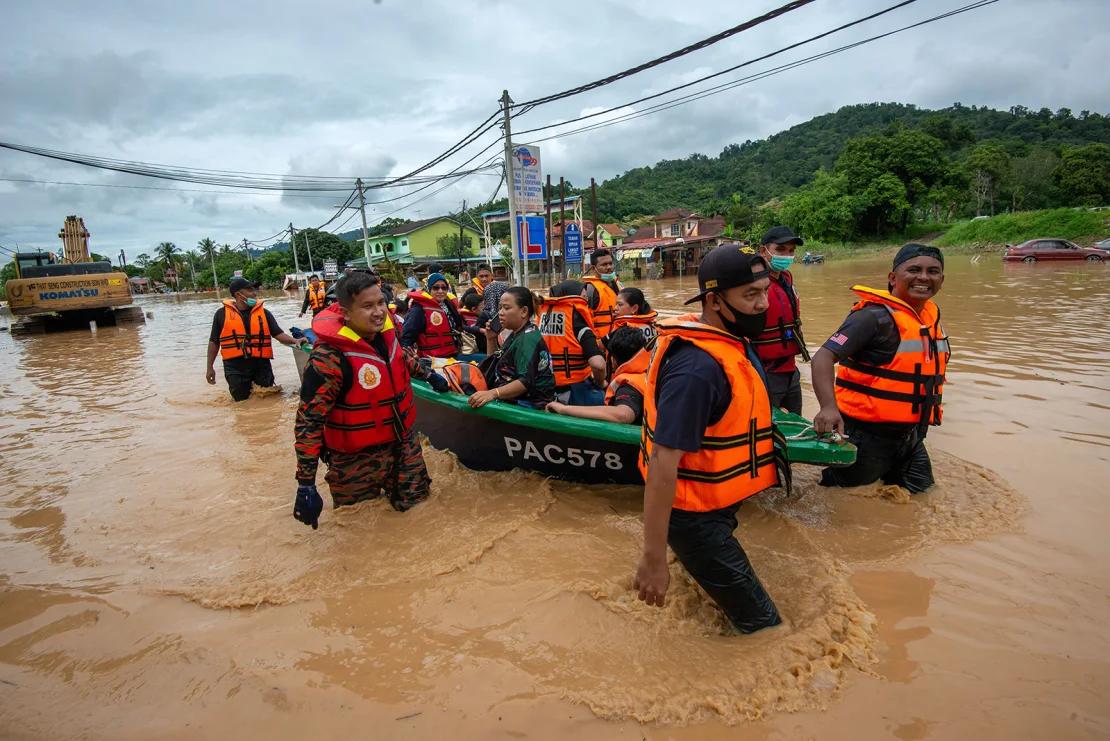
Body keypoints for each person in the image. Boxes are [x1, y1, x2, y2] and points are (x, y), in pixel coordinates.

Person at [633, 246, 786, 634]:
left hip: (714, 507)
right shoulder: (697, 370)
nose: (763, 304)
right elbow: (663, 461)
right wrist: (653, 559)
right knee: (766, 630)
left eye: (765, 292)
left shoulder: (729, 343)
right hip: (693, 519)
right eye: (750, 295)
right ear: (715, 301)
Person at [293, 271, 450, 528]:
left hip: (403, 444)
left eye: (380, 303)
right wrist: (306, 482)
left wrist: (430, 375)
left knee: (420, 513)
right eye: (367, 306)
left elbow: (400, 358)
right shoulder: (328, 358)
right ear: (345, 313)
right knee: (359, 526)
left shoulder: (386, 335)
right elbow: (308, 422)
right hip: (355, 460)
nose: (378, 312)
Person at [811, 243, 949, 494]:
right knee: (840, 498)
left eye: (933, 271)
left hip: (910, 436)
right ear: (893, 278)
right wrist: (828, 408)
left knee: (924, 496)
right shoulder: (872, 317)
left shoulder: (929, 318)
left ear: (942, 280)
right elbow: (823, 357)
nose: (923, 277)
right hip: (865, 436)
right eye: (914, 270)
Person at [206, 277, 302, 401]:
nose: (254, 293)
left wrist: (295, 340)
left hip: (261, 364)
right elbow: (214, 342)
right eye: (250, 290)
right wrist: (210, 367)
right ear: (238, 294)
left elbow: (278, 334)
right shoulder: (221, 314)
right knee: (241, 403)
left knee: (268, 398)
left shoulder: (264, 313)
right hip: (235, 367)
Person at [751, 227, 810, 414]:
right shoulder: (752, 284)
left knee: (797, 423)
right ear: (763, 251)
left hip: (790, 369)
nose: (787, 256)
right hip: (766, 371)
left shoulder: (786, 279)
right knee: (766, 423)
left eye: (791, 251)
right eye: (780, 250)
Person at [468, 287, 555, 409]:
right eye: (500, 308)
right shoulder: (516, 333)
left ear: (524, 311)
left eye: (506, 308)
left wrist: (493, 393)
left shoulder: (527, 339)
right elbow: (494, 362)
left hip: (530, 406)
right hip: (514, 398)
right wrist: (491, 338)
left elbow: (524, 382)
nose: (501, 313)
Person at [546, 326, 648, 424]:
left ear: (613, 360)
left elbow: (623, 415)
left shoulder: (630, 385)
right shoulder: (648, 372)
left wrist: (563, 409)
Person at [539, 280, 606, 405]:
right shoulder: (579, 325)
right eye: (584, 297)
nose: (587, 301)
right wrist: (600, 383)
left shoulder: (542, 319)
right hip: (575, 389)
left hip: (546, 387)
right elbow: (598, 365)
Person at [401, 272, 465, 358]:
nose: (440, 291)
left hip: (453, 353)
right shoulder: (418, 309)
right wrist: (407, 356)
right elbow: (407, 336)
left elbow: (458, 326)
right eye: (436, 288)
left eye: (444, 288)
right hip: (432, 360)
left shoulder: (448, 304)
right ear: (428, 289)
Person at [582, 248, 622, 340]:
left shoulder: (618, 284)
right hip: (600, 342)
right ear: (593, 268)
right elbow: (584, 320)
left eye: (610, 263)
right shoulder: (590, 289)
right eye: (604, 265)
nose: (609, 267)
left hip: (618, 340)